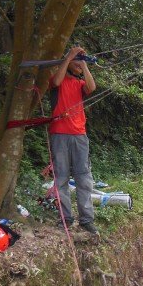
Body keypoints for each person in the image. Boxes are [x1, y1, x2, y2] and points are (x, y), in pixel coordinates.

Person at [49, 45, 98, 234]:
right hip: (59, 134)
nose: (79, 64)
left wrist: (84, 64)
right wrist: (69, 56)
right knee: (61, 176)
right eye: (77, 62)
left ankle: (86, 219)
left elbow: (92, 87)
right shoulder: (58, 80)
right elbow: (56, 81)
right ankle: (66, 218)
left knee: (83, 177)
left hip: (79, 135)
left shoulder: (80, 84)